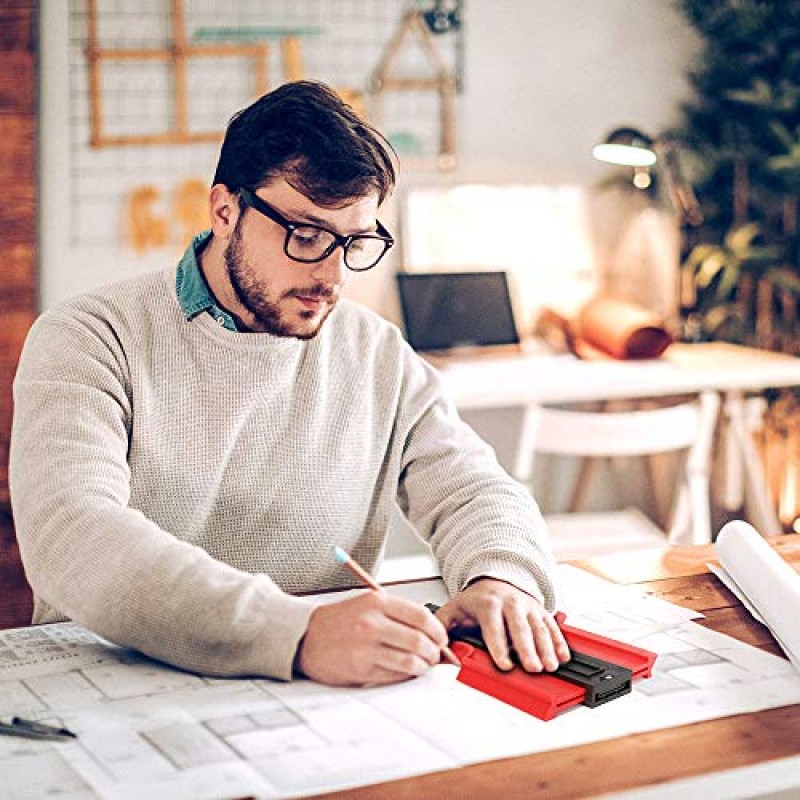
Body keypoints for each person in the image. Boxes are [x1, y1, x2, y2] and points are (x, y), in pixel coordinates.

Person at [10, 80, 569, 687]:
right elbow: (73, 533)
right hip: (110, 684)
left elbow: (474, 490)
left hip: (320, 693)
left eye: (356, 241)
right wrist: (293, 634)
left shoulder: (375, 351)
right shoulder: (90, 337)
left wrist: (502, 578)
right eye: (306, 235)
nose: (331, 275)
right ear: (225, 211)